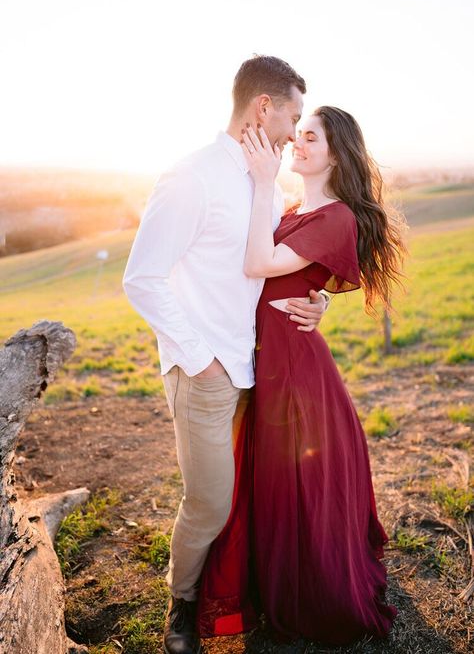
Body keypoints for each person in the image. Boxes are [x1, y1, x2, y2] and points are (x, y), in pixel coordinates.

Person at [122, 56, 329, 654]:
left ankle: (237, 594)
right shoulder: (192, 176)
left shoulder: (268, 186)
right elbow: (142, 278)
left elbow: (271, 272)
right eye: (292, 113)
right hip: (206, 372)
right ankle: (180, 605)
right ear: (263, 107)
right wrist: (199, 359)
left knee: (246, 497)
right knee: (210, 502)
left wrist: (320, 304)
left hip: (257, 368)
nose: (295, 130)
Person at [197, 107, 406, 646]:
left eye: (311, 137)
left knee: (294, 483)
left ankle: (307, 589)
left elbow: (257, 265)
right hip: (274, 358)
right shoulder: (295, 208)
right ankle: (272, 584)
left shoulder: (335, 216)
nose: (297, 142)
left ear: (337, 153)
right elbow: (298, 279)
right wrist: (318, 300)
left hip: (295, 371)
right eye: (300, 133)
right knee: (272, 481)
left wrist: (264, 178)